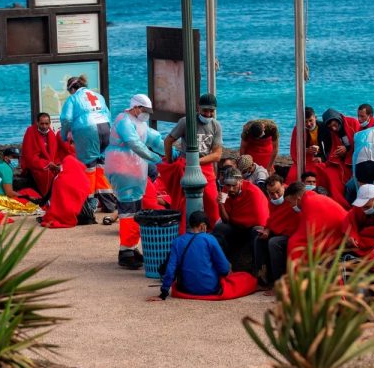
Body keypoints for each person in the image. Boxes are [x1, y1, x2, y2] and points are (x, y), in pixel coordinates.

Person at [105, 94, 165, 269]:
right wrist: (156, 158)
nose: (147, 114)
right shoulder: (124, 121)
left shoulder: (139, 123)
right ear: (136, 107)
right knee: (127, 212)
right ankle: (125, 253)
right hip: (122, 168)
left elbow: (154, 139)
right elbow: (135, 144)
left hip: (134, 170)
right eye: (145, 110)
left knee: (135, 210)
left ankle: (130, 247)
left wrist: (171, 152)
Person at [163, 93, 223, 225]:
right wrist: (169, 162)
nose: (208, 114)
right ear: (198, 108)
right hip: (186, 166)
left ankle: (213, 233)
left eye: (211, 111)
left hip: (205, 167)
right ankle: (184, 231)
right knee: (183, 203)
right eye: (205, 110)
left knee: (212, 203)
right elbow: (168, 141)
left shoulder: (216, 126)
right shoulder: (186, 122)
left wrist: (196, 162)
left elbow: (217, 154)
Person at [59, 75, 114, 212]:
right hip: (106, 127)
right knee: (102, 166)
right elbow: (108, 113)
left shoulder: (73, 98)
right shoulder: (98, 96)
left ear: (72, 88)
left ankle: (88, 205)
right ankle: (109, 204)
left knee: (88, 167)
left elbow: (66, 118)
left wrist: (64, 135)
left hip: (87, 129)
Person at [147, 211, 230, 301]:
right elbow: (224, 269)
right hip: (210, 288)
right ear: (203, 226)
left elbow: (170, 270)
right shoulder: (210, 239)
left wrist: (163, 294)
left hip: (186, 289)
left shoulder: (177, 241)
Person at [212, 168, 268, 265]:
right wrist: (220, 204)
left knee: (257, 231)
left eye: (234, 186)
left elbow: (260, 219)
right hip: (235, 225)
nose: (230, 189)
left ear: (241, 182)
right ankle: (222, 263)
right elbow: (226, 220)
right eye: (228, 185)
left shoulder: (253, 192)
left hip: (251, 227)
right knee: (220, 228)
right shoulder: (225, 190)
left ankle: (258, 268)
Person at [253, 174, 299, 287]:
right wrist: (267, 230)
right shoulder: (271, 201)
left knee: (274, 243)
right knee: (258, 238)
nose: (276, 196)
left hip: (292, 233)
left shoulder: (292, 197)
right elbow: (272, 218)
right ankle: (262, 275)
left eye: (278, 191)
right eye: (271, 193)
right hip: (278, 230)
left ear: (283, 186)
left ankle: (278, 283)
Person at [285, 182, 348, 261]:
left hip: (342, 235)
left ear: (297, 198)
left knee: (294, 244)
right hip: (339, 232)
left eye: (290, 202)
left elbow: (307, 233)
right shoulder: (312, 198)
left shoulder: (309, 202)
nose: (290, 206)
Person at [319, 108, 360, 207]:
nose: (333, 128)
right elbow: (333, 148)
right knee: (329, 173)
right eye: (330, 127)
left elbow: (361, 143)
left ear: (339, 120)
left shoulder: (352, 123)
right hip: (343, 161)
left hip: (356, 160)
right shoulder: (332, 132)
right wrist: (338, 154)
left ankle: (346, 204)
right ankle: (337, 202)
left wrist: (347, 149)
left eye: (335, 125)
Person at [20, 112, 61, 197]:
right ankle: (48, 198)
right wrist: (46, 164)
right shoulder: (30, 132)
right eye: (42, 124)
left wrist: (58, 164)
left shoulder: (51, 133)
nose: (44, 126)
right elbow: (29, 156)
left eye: (46, 124)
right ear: (37, 123)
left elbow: (55, 154)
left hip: (50, 164)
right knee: (47, 174)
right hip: (37, 165)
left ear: (50, 123)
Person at [289, 107, 327, 180]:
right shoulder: (298, 129)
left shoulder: (324, 127)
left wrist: (321, 158)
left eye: (310, 120)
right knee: (293, 175)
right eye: (305, 122)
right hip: (305, 159)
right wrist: (306, 150)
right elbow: (294, 149)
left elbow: (330, 147)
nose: (308, 124)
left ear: (315, 118)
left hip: (321, 158)